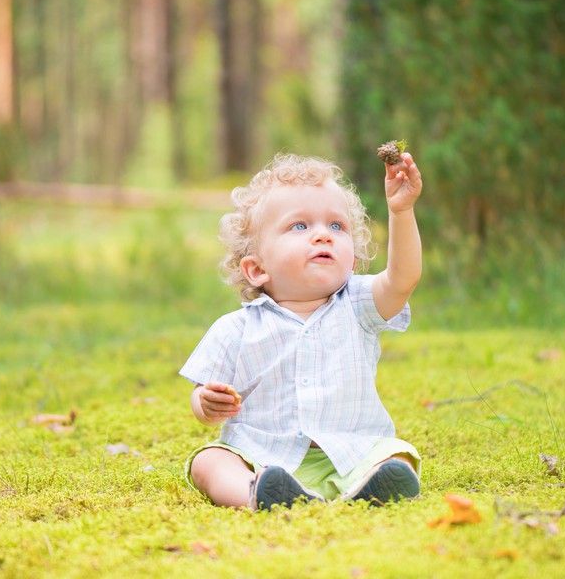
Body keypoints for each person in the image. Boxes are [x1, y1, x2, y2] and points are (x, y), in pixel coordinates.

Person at [180, 150, 425, 511]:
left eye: (337, 227)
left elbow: (403, 279)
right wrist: (205, 403)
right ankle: (256, 493)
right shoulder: (236, 328)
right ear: (256, 269)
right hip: (263, 458)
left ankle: (374, 486)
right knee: (209, 462)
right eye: (300, 226)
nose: (323, 236)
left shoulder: (358, 305)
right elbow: (202, 395)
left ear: (352, 262)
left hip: (351, 451)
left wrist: (401, 212)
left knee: (396, 455)